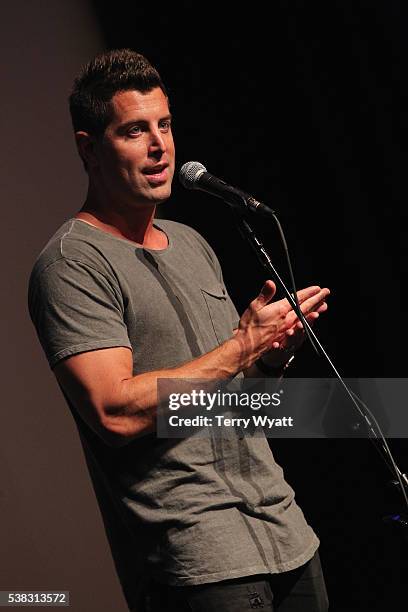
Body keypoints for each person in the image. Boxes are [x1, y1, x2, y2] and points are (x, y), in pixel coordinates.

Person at [28, 49, 330, 611]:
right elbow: (115, 413)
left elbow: (233, 406)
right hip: (200, 559)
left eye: (164, 125)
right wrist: (240, 346)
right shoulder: (72, 264)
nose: (159, 145)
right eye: (135, 130)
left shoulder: (192, 243)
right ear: (89, 148)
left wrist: (267, 357)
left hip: (286, 533)